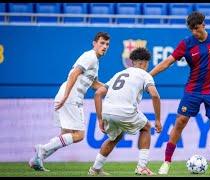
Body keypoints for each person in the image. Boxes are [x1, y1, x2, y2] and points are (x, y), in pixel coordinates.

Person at [149, 11, 210, 175]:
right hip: (192, 90)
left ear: (204, 24)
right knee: (180, 122)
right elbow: (167, 62)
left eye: (197, 28)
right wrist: (148, 76)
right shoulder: (186, 43)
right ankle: (166, 162)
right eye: (191, 29)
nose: (194, 32)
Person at [29, 32, 111, 171]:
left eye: (107, 44)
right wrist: (66, 96)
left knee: (65, 135)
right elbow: (73, 74)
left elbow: (93, 83)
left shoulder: (95, 61)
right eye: (102, 43)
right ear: (94, 43)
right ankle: (42, 149)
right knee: (79, 135)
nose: (104, 46)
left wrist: (111, 89)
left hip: (70, 95)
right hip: (71, 96)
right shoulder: (89, 56)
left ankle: (37, 160)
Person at [88, 47, 162, 176]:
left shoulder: (119, 74)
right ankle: (141, 167)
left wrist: (100, 119)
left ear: (132, 62)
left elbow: (98, 93)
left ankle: (95, 169)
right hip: (125, 111)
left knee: (115, 137)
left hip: (107, 110)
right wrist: (158, 120)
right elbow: (155, 95)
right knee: (146, 128)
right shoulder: (145, 75)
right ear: (144, 63)